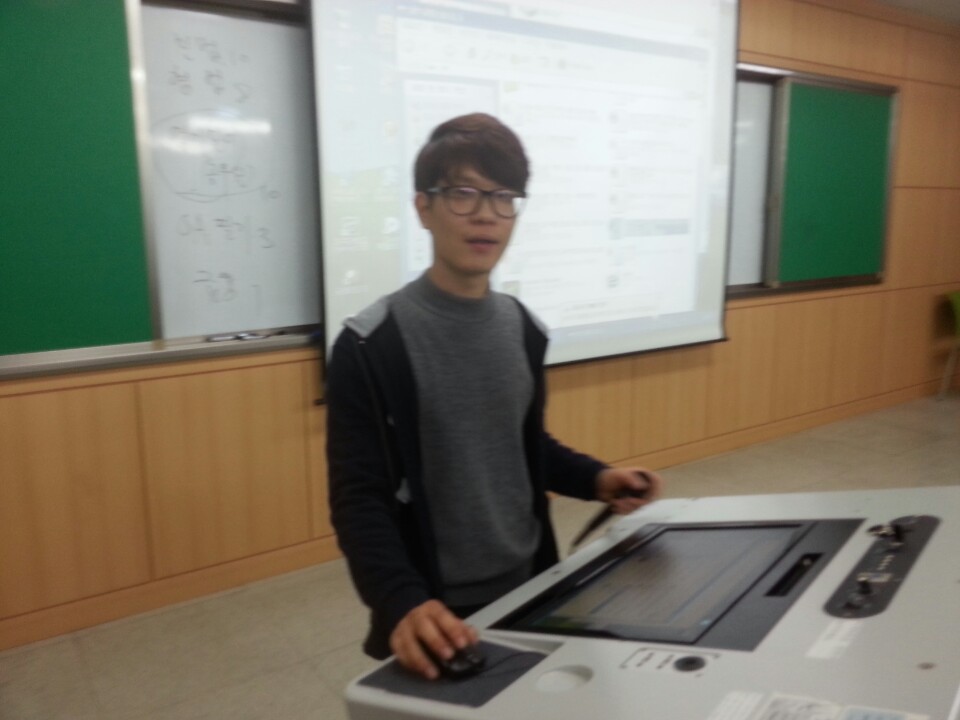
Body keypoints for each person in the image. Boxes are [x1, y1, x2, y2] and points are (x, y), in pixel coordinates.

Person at [325, 112, 663, 679]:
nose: (486, 214)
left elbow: (520, 444)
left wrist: (597, 479)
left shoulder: (522, 326)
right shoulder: (370, 345)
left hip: (533, 584)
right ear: (423, 208)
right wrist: (400, 600)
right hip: (436, 609)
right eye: (463, 193)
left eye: (504, 197)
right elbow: (359, 498)